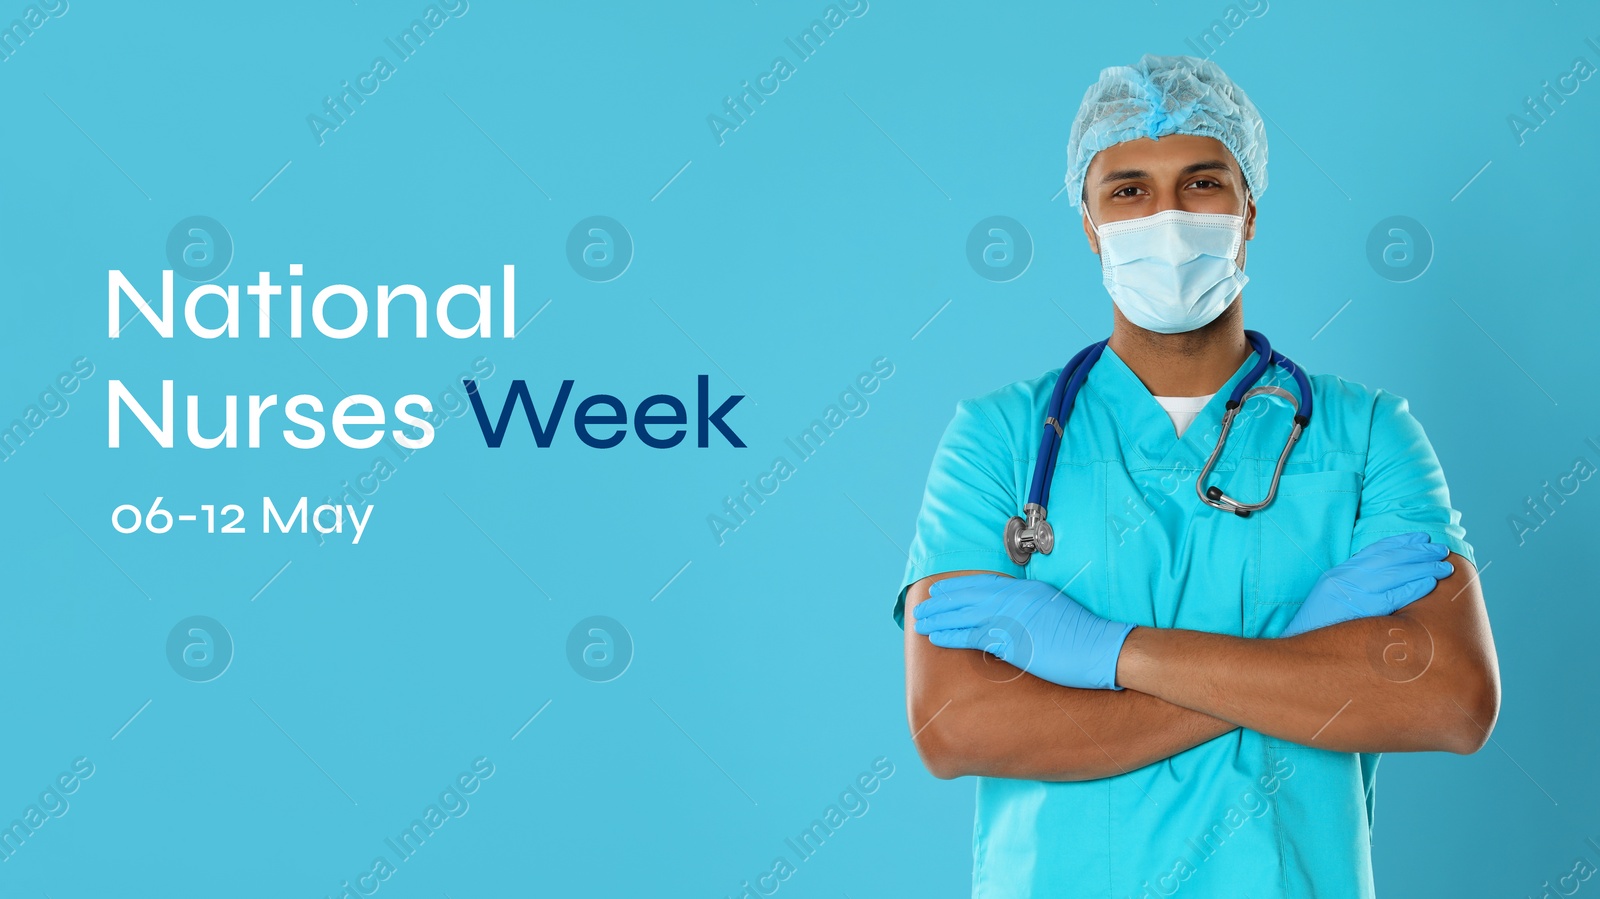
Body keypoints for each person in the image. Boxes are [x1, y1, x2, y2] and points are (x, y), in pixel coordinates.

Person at [895, 54, 1501, 898]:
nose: (1168, 218)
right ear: (1088, 221)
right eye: (1129, 190)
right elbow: (956, 724)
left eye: (1203, 183)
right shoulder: (997, 438)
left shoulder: (1366, 434)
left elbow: (1450, 698)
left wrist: (1106, 654)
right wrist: (1294, 661)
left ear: (1249, 208)